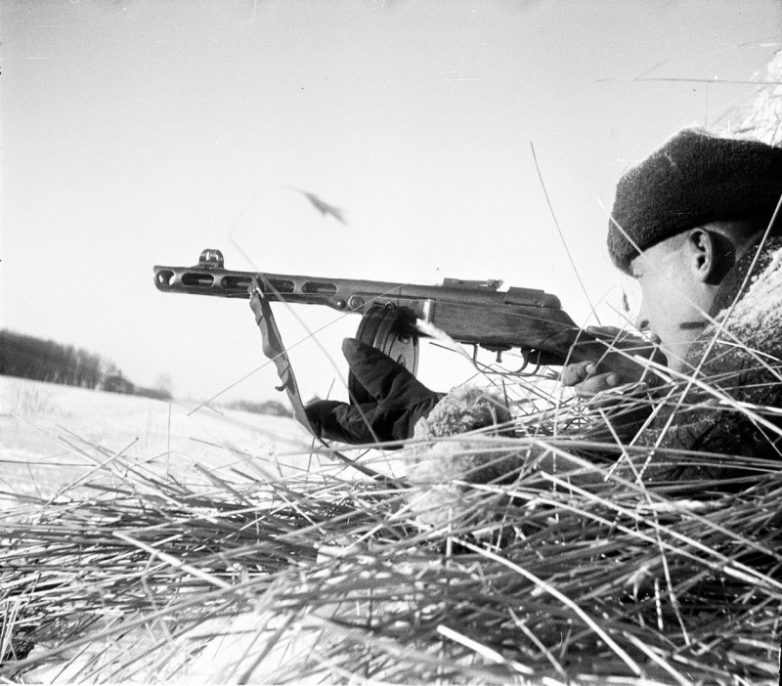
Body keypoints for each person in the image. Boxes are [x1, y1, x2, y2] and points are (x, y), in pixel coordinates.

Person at [306, 128, 782, 481]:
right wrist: (648, 404)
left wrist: (430, 429)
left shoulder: (747, 359)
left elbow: (628, 531)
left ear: (702, 253)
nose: (639, 317)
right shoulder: (762, 312)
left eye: (642, 279)